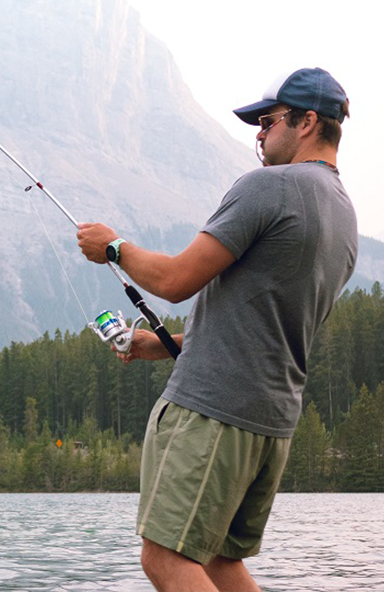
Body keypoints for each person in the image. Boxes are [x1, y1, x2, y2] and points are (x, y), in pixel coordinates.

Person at [76, 67, 358, 592]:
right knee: (221, 563)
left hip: (214, 411)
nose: (259, 134)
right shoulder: (345, 218)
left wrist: (113, 248)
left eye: (268, 121)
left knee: (165, 558)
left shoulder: (269, 187)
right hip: (271, 422)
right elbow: (271, 330)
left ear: (306, 122)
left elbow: (175, 281)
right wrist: (165, 347)